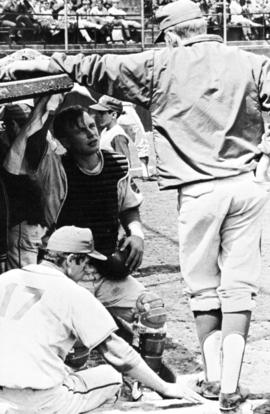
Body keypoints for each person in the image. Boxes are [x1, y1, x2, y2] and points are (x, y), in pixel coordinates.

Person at [2, 0, 270, 410]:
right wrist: (266, 152)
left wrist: (47, 57)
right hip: (245, 184)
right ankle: (227, 383)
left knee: (198, 291)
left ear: (172, 35)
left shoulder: (159, 65)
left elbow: (93, 65)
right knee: (239, 290)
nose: (91, 133)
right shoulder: (249, 60)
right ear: (206, 25)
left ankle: (211, 381)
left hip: (197, 190)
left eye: (93, 126)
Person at [3, 101, 171, 393]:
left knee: (152, 310)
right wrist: (45, 107)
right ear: (65, 141)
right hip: (68, 272)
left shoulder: (117, 163)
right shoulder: (55, 167)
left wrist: (137, 233)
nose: (91, 134)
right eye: (80, 131)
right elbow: (23, 157)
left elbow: (129, 208)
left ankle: (141, 384)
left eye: (92, 126)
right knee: (73, 340)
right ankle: (64, 389)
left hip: (106, 266)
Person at [0, 225, 203, 413]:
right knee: (112, 379)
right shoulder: (71, 292)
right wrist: (165, 388)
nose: (88, 270)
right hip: (39, 401)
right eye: (85, 262)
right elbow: (119, 355)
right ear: (70, 260)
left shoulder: (6, 278)